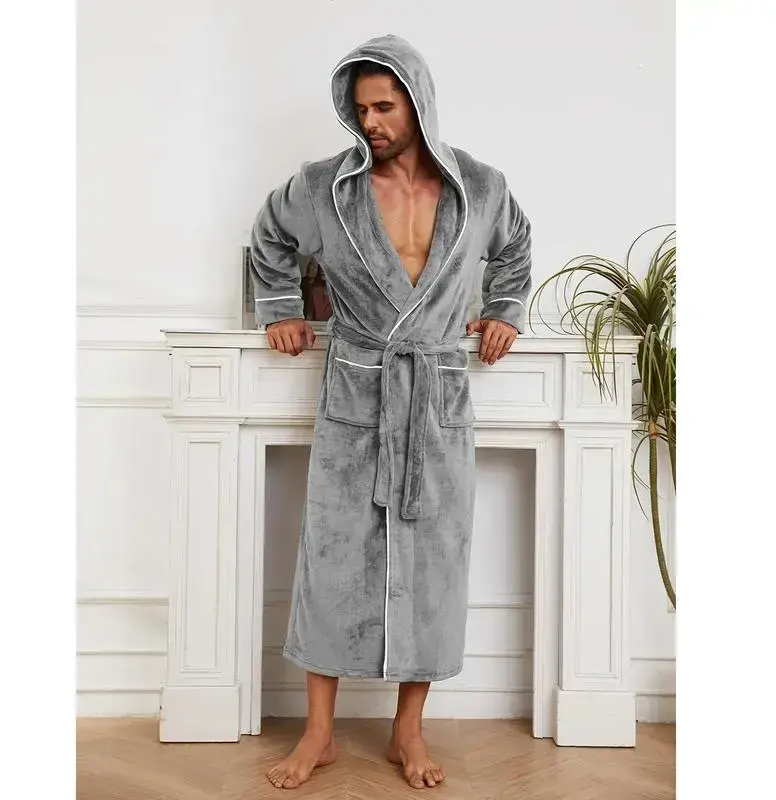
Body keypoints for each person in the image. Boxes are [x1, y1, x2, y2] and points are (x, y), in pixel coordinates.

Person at [249, 33, 532, 790]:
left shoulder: (481, 187)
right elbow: (270, 237)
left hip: (436, 392)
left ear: (418, 102)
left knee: (433, 563)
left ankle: (409, 729)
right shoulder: (324, 188)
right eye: (360, 109)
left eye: (383, 106)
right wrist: (281, 307)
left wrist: (505, 310)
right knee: (332, 558)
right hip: (357, 386)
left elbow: (515, 249)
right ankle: (319, 734)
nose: (369, 122)